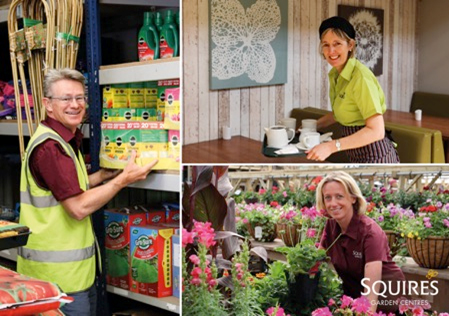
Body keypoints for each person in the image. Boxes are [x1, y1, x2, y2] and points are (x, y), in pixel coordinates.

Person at [17, 68, 158, 316]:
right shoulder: (51, 148)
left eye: (80, 98)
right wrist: (121, 181)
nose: (75, 105)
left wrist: (103, 176)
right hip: (58, 282)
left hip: (73, 278)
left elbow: (66, 188)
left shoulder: (62, 139)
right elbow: (78, 207)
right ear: (48, 105)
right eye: (66, 99)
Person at [305, 16, 399, 163]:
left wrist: (331, 147)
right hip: (355, 153)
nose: (331, 51)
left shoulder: (360, 77)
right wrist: (312, 126)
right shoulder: (336, 74)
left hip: (376, 155)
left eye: (337, 44)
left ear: (350, 45)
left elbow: (377, 131)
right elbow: (342, 112)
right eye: (326, 45)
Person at [316, 171, 405, 313]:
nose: (333, 203)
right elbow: (317, 260)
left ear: (353, 198)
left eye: (339, 196)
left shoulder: (370, 232)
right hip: (356, 298)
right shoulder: (331, 225)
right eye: (328, 197)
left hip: (386, 301)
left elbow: (371, 292)